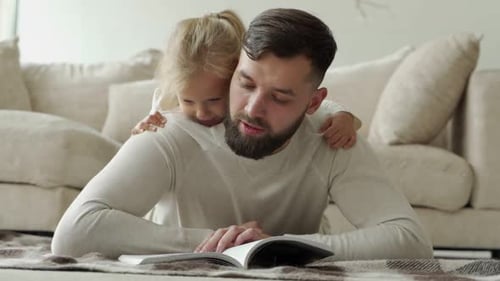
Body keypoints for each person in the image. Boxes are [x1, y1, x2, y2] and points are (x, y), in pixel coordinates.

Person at [52, 8, 433, 260]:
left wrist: (277, 247)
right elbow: (73, 234)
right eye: (245, 83)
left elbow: (412, 242)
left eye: (281, 97)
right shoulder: (170, 133)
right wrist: (218, 244)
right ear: (232, 71)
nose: (252, 109)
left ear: (314, 103)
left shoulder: (331, 135)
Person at [129, 10, 361, 149]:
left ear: (236, 80)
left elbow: (319, 111)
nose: (201, 113)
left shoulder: (250, 113)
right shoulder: (166, 110)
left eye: (213, 99)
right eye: (188, 101)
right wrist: (140, 134)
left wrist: (344, 118)